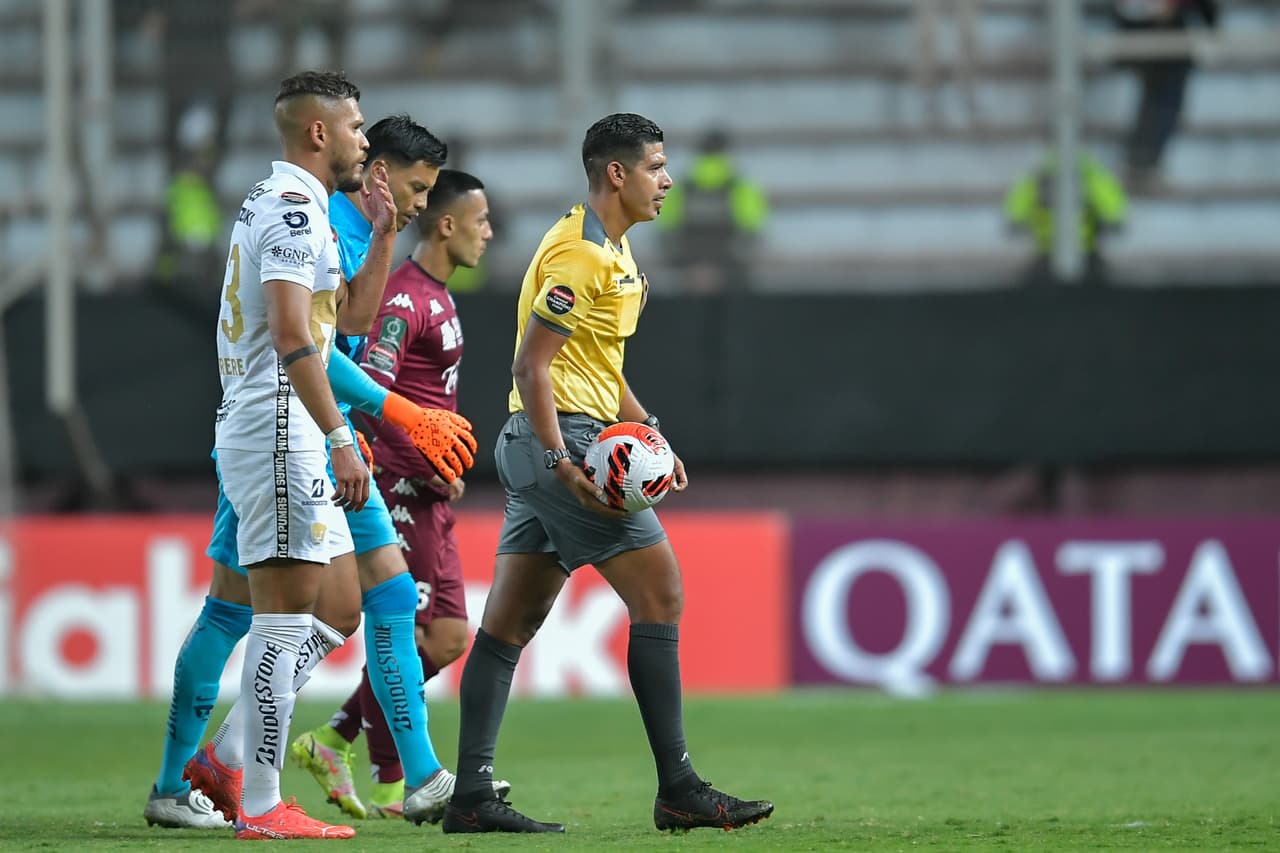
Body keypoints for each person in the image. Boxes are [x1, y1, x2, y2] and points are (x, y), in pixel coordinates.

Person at [144, 95, 479, 836]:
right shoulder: (316, 218)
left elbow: (348, 322)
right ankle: (239, 777)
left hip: (294, 430)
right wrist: (393, 418)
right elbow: (314, 346)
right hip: (300, 431)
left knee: (359, 599)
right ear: (376, 167)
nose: (426, 205)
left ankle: (206, 770)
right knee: (278, 608)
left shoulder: (348, 222)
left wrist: (389, 231)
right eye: (419, 190)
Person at [441, 113, 774, 834]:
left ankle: (469, 795)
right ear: (616, 174)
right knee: (662, 590)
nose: (669, 180)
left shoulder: (614, 254)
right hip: (561, 442)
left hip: (559, 438)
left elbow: (597, 365)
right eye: (656, 166)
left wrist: (651, 430)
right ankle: (679, 787)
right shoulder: (581, 255)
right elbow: (530, 365)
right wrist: (561, 460)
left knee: (509, 623)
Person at [292, 169, 494, 819]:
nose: (489, 232)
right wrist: (419, 458)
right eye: (481, 220)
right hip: (402, 489)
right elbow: (372, 393)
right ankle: (403, 778)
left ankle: (337, 737)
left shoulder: (438, 293)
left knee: (450, 636)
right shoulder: (405, 300)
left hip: (433, 491)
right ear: (447, 224)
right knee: (403, 630)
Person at [205, 68, 374, 842]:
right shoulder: (295, 215)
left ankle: (230, 754)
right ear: (318, 132)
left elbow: (331, 324)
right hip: (280, 425)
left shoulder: (288, 204)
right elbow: (291, 334)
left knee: (340, 602)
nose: (363, 139)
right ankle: (264, 805)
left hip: (288, 423)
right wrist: (339, 434)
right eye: (355, 126)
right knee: (283, 616)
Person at [1111, 0, 1219, 190]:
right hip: (1144, 31)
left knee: (1165, 99)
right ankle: (1139, 161)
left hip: (1167, 33)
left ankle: (1143, 161)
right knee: (1162, 98)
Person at [656, 128, 768, 293]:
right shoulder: (742, 187)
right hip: (731, 274)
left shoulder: (679, 188)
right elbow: (752, 235)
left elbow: (665, 233)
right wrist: (721, 269)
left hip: (687, 275)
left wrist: (689, 267)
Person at [1003, 148, 1128, 283]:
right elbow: (1015, 213)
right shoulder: (1039, 177)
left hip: (1084, 250)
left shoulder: (1090, 176)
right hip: (1049, 251)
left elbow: (1114, 214)